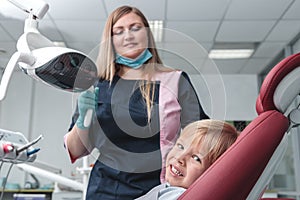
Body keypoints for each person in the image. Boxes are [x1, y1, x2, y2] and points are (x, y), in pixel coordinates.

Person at [64, 5, 208, 200]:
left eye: (135, 28)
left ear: (147, 33)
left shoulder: (175, 80)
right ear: (111, 41)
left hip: (158, 189)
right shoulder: (96, 84)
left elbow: (202, 136)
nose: (128, 36)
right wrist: (83, 120)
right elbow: (76, 149)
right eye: (119, 31)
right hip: (104, 190)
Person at [136, 119, 239, 200]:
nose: (180, 158)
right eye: (180, 146)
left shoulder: (177, 195)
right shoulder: (171, 189)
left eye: (196, 158)